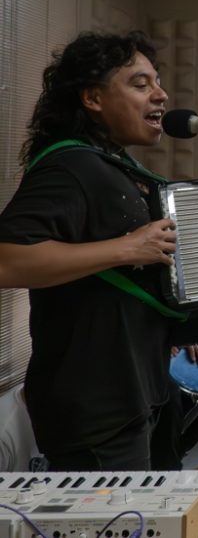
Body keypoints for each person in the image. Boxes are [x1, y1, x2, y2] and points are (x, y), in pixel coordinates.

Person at [0, 31, 178, 471]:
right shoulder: (69, 165)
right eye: (140, 84)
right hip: (95, 403)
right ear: (93, 98)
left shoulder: (111, 164)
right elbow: (7, 260)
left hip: (131, 390)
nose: (160, 94)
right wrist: (127, 247)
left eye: (157, 82)